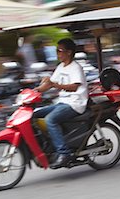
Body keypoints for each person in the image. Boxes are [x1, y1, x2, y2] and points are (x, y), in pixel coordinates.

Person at [33, 38, 88, 169]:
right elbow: (49, 83)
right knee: (34, 115)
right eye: (56, 50)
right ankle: (49, 147)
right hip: (62, 102)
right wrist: (35, 90)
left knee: (50, 120)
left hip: (75, 103)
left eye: (60, 50)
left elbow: (74, 87)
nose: (57, 53)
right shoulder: (60, 66)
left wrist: (54, 84)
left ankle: (64, 153)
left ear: (69, 52)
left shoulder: (76, 68)